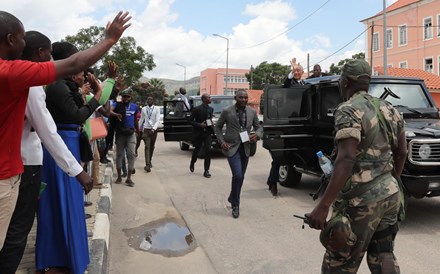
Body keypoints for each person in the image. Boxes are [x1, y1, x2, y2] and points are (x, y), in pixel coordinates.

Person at [0, 10, 130, 253]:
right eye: (20, 38)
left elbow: (102, 106)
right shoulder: (19, 76)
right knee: (16, 236)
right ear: (10, 40)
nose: (23, 42)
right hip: (17, 170)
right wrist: (110, 39)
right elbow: (53, 129)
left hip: (36, 161)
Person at [0, 31, 92, 274]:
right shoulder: (30, 83)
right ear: (41, 53)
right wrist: (78, 172)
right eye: (49, 53)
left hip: (22, 162)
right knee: (17, 233)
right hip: (23, 165)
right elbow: (48, 131)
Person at [308, 59, 407, 273]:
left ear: (345, 82)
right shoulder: (391, 109)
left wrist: (323, 205)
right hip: (390, 196)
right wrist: (389, 182)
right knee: (383, 254)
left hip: (360, 202)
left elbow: (346, 158)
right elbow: (402, 153)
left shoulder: (348, 110)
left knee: (339, 262)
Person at [214, 89, 263, 218]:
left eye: (245, 98)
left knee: (240, 177)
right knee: (238, 175)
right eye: (241, 97)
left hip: (246, 147)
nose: (243, 100)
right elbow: (217, 127)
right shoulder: (227, 111)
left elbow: (259, 127)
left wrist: (257, 135)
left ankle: (232, 196)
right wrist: (221, 141)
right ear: (235, 98)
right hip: (231, 147)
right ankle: (235, 205)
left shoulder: (252, 112)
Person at [111, 89, 139, 186]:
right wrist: (116, 114)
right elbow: (109, 111)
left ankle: (129, 178)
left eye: (128, 96)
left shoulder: (135, 107)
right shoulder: (117, 105)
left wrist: (137, 130)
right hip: (120, 134)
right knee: (119, 155)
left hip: (131, 134)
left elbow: (135, 119)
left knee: (131, 155)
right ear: (122, 97)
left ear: (131, 97)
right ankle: (119, 177)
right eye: (124, 96)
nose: (126, 98)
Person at [188, 93, 214, 178]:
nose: (210, 98)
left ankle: (206, 170)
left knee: (208, 150)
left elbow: (209, 119)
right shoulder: (197, 109)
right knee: (197, 149)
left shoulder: (211, 109)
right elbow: (190, 121)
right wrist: (200, 125)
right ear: (204, 99)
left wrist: (211, 125)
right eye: (209, 97)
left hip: (207, 133)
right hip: (199, 133)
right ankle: (192, 162)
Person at [138, 96, 161, 172]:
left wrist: (153, 129)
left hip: (153, 130)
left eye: (151, 99)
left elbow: (158, 120)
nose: (149, 100)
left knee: (152, 146)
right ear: (146, 101)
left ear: (153, 100)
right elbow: (141, 119)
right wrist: (137, 129)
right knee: (147, 146)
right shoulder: (144, 109)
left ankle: (149, 160)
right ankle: (147, 164)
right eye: (148, 99)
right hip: (146, 130)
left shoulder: (157, 109)